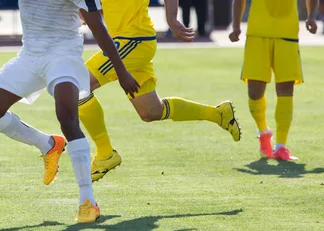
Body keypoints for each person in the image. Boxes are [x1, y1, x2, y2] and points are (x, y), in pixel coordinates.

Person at [0, 0, 139, 223]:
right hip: (29, 57)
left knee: (67, 118)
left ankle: (87, 200)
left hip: (64, 56)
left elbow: (98, 27)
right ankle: (48, 144)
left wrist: (121, 72)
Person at [78, 0, 241, 182]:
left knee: (78, 86)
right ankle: (218, 114)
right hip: (129, 41)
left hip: (132, 41)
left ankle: (105, 153)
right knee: (151, 111)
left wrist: (171, 20)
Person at [229, 0, 318, 160]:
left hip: (287, 32)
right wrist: (236, 25)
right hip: (257, 32)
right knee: (255, 92)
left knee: (285, 89)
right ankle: (263, 131)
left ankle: (281, 146)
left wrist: (311, 16)